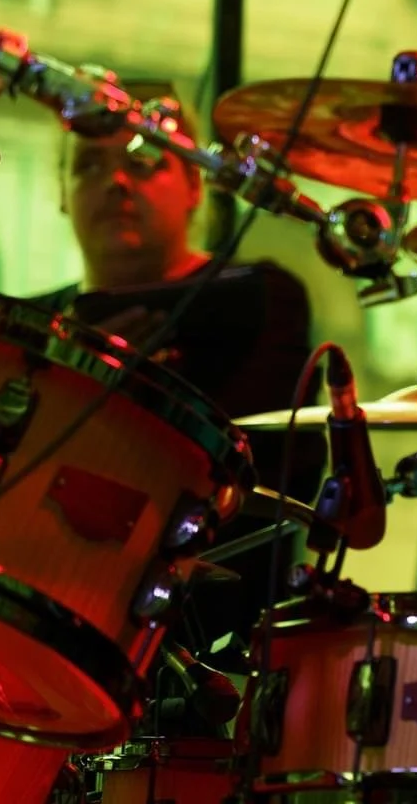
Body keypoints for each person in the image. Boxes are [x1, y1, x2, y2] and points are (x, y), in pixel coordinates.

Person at [36, 101, 324, 677]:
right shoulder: (32, 325)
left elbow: (260, 469)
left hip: (208, 660)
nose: (116, 181)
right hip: (42, 625)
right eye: (88, 165)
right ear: (62, 193)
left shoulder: (257, 304)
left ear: (196, 185)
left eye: (144, 160)